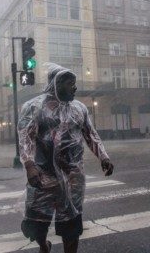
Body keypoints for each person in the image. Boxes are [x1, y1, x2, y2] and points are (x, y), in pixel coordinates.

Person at [18, 63, 114, 253]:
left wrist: (103, 156)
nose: (75, 87)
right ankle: (43, 245)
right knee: (35, 225)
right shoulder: (34, 107)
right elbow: (25, 138)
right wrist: (29, 165)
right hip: (42, 176)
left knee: (71, 226)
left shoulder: (79, 109)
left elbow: (90, 134)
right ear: (57, 83)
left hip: (72, 177)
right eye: (71, 83)